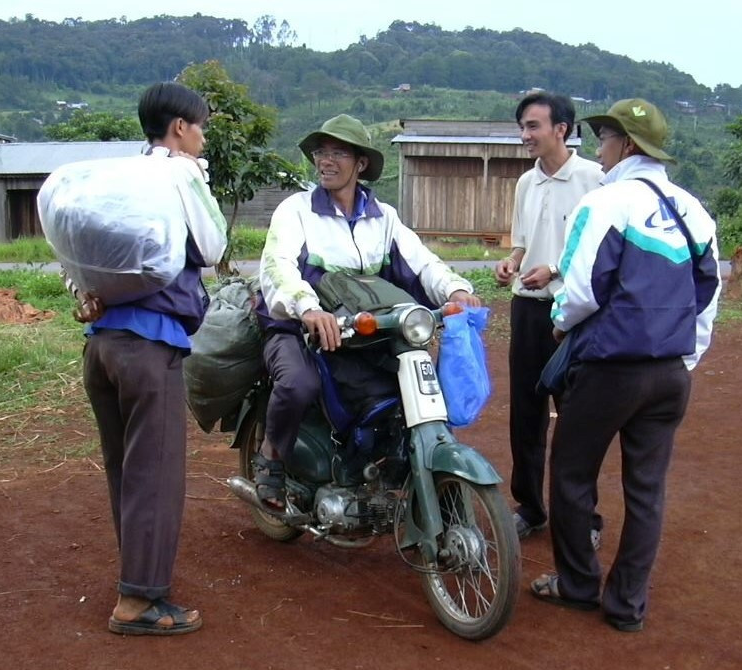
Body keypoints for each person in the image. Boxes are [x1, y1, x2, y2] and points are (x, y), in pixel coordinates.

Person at [530, 99, 721, 632]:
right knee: (646, 490)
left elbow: (583, 287)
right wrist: (686, 356)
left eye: (605, 138)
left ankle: (577, 584)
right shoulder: (694, 210)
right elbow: (708, 295)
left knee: (570, 474)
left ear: (628, 145)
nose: (599, 148)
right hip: (669, 376)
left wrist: (561, 322)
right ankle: (627, 605)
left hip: (611, 369)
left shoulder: (607, 202)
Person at [255, 113, 481, 509]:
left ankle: (395, 465)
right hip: (296, 327)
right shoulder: (297, 210)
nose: (326, 160)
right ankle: (270, 459)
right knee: (298, 384)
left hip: (366, 332)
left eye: (338, 152)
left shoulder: (384, 218)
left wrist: (457, 289)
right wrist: (307, 309)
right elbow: (277, 266)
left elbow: (423, 262)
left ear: (360, 164)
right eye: (321, 152)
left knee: (414, 384)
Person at [71, 82, 228, 635]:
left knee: (125, 470)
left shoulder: (118, 178)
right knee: (155, 475)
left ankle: (137, 577)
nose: (203, 137)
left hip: (102, 347)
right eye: (201, 126)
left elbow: (80, 258)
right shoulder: (179, 173)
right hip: (149, 348)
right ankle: (138, 601)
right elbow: (211, 248)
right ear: (180, 126)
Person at [493, 92, 603, 542]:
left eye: (534, 126)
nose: (525, 135)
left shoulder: (595, 180)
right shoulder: (525, 182)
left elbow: (600, 251)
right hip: (527, 309)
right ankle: (531, 508)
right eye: (522, 126)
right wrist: (511, 263)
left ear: (561, 129)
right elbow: (522, 240)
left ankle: (583, 518)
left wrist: (555, 269)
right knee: (526, 412)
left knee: (576, 418)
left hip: (573, 314)